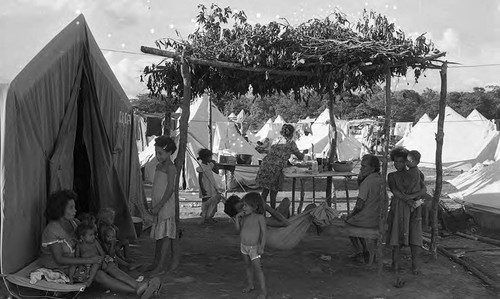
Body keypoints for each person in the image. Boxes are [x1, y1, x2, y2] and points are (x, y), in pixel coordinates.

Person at [40, 190, 161, 298]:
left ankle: (138, 285)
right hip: (62, 268)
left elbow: (87, 242)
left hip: (79, 262)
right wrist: (90, 260)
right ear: (60, 210)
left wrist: (100, 257)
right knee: (98, 274)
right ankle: (138, 290)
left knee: (107, 262)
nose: (75, 210)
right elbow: (59, 259)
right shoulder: (51, 230)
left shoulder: (74, 223)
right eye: (71, 207)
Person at [386, 147, 427, 275]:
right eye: (395, 162)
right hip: (399, 207)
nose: (398, 164)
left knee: (415, 237)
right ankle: (395, 265)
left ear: (407, 162)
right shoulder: (392, 176)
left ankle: (416, 267)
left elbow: (424, 189)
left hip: (414, 209)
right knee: (396, 235)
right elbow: (395, 191)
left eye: (401, 162)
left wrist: (412, 199)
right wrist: (410, 201)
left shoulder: (416, 173)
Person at [343, 154, 385, 262]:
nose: (361, 169)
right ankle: (364, 250)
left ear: (372, 168)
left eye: (364, 166)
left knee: (347, 222)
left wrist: (351, 215)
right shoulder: (380, 179)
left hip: (368, 219)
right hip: (378, 217)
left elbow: (359, 206)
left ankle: (360, 250)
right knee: (355, 220)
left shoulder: (367, 183)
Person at [147, 135, 178, 276]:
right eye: (156, 152)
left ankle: (160, 265)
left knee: (165, 236)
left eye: (160, 153)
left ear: (169, 152)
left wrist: (159, 205)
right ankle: (155, 262)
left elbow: (170, 189)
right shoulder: (159, 166)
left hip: (165, 207)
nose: (158, 156)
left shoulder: (171, 168)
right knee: (158, 236)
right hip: (158, 206)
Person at [256, 124, 306, 208]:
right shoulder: (291, 143)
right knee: (273, 193)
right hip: (276, 168)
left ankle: (262, 213)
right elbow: (300, 157)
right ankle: (273, 214)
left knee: (264, 192)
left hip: (266, 165)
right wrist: (304, 153)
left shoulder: (276, 140)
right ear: (292, 133)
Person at [234, 192, 267, 299]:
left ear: (254, 206)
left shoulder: (259, 217)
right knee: (247, 266)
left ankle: (263, 292)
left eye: (246, 205)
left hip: (254, 248)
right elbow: (238, 230)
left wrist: (262, 246)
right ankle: (250, 285)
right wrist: (237, 219)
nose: (243, 207)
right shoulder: (244, 217)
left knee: (258, 269)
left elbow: (264, 232)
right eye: (243, 205)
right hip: (243, 246)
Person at [196, 148, 221, 224]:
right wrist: (202, 189)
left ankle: (209, 216)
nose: (210, 158)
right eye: (209, 157)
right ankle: (204, 217)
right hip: (205, 187)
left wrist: (214, 164)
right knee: (205, 202)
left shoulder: (210, 164)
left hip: (212, 186)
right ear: (204, 158)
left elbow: (217, 172)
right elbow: (200, 180)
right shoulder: (201, 167)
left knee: (213, 202)